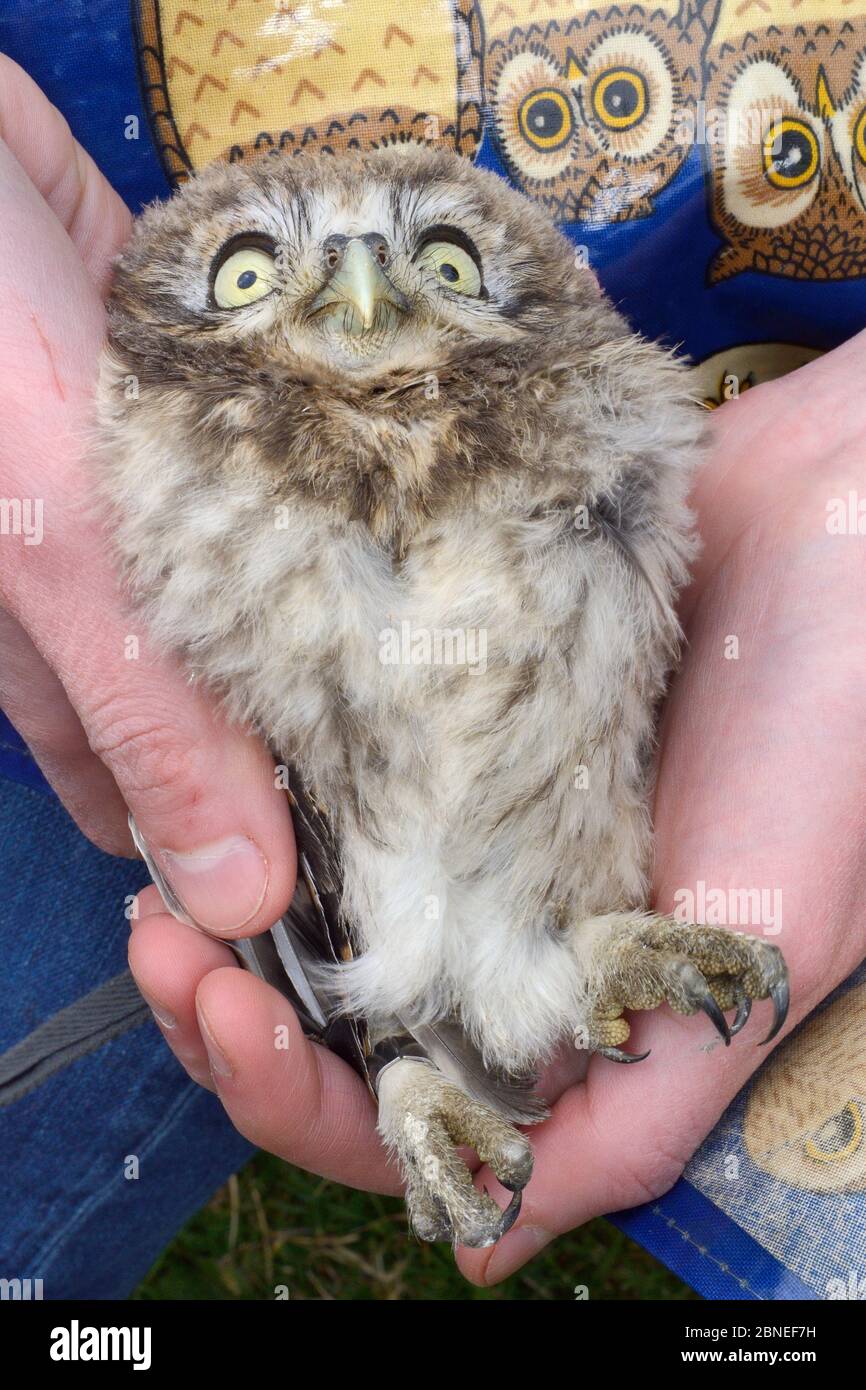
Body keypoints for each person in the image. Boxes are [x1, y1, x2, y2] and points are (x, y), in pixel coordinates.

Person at [0, 50, 864, 1293]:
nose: (361, 300)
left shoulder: (588, 398)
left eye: (441, 262)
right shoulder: (160, 439)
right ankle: (404, 1048)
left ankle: (569, 956)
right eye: (252, 274)